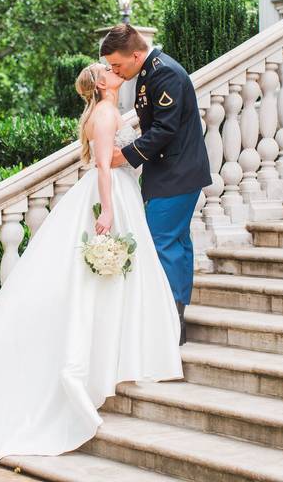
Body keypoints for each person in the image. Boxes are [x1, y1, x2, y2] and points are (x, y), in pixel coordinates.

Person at [0, 62, 182, 465]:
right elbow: (103, 165)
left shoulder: (107, 110)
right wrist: (108, 212)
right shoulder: (106, 113)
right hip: (110, 195)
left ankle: (114, 356)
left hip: (118, 192)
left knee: (109, 283)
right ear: (101, 83)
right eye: (110, 70)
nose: (117, 71)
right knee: (98, 284)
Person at [102, 24, 212, 345]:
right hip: (171, 172)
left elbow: (164, 129)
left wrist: (122, 156)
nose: (114, 71)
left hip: (177, 173)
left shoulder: (165, 74)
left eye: (117, 65)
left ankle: (171, 321)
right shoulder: (148, 73)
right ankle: (176, 320)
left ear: (135, 54)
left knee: (163, 243)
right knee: (176, 243)